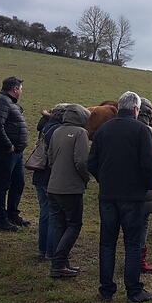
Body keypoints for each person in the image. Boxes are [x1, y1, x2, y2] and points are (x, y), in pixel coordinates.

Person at [89, 91, 152, 303]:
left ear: (119, 107)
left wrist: (104, 181)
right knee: (132, 245)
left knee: (107, 243)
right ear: (136, 110)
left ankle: (106, 289)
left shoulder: (103, 129)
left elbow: (91, 163)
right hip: (133, 197)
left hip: (108, 196)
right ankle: (133, 291)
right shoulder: (142, 131)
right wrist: (146, 186)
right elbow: (149, 165)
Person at [46, 104, 91, 278]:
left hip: (53, 186)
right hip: (70, 188)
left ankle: (60, 263)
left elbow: (50, 156)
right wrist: (86, 177)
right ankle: (59, 263)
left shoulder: (56, 131)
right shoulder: (80, 133)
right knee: (74, 224)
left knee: (59, 224)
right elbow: (81, 161)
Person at [0, 76, 29, 231]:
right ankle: (1, 220)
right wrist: (8, 145)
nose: (21, 92)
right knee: (2, 185)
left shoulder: (9, 103)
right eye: (20, 89)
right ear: (15, 89)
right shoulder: (1, 102)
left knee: (18, 183)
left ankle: (13, 214)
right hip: (6, 152)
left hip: (16, 153)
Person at [32, 104, 68, 260]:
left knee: (45, 214)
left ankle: (43, 248)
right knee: (55, 216)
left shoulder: (46, 126)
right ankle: (51, 252)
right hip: (50, 177)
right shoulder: (58, 131)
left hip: (39, 175)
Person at [136, 97, 152, 274]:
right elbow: (151, 163)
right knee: (142, 224)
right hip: (143, 190)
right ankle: (139, 260)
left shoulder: (114, 127)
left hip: (119, 188)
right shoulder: (148, 132)